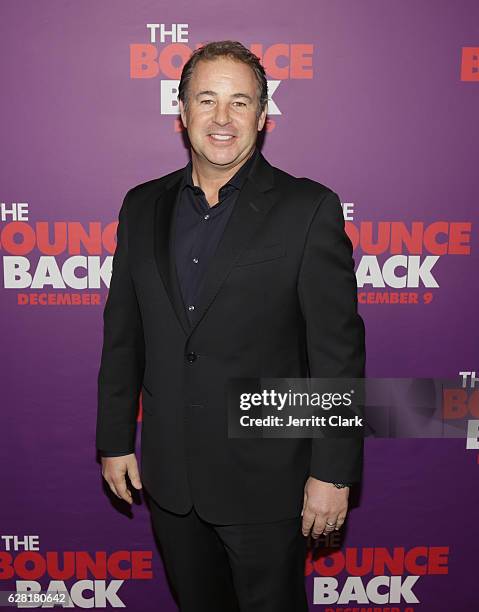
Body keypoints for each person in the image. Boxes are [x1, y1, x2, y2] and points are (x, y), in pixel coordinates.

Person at [96, 40, 366, 612]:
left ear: (263, 117)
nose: (222, 119)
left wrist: (333, 475)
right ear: (182, 111)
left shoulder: (308, 208)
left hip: (269, 481)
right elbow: (123, 336)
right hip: (171, 482)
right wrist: (115, 439)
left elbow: (335, 355)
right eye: (207, 100)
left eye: (240, 102)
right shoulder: (140, 206)